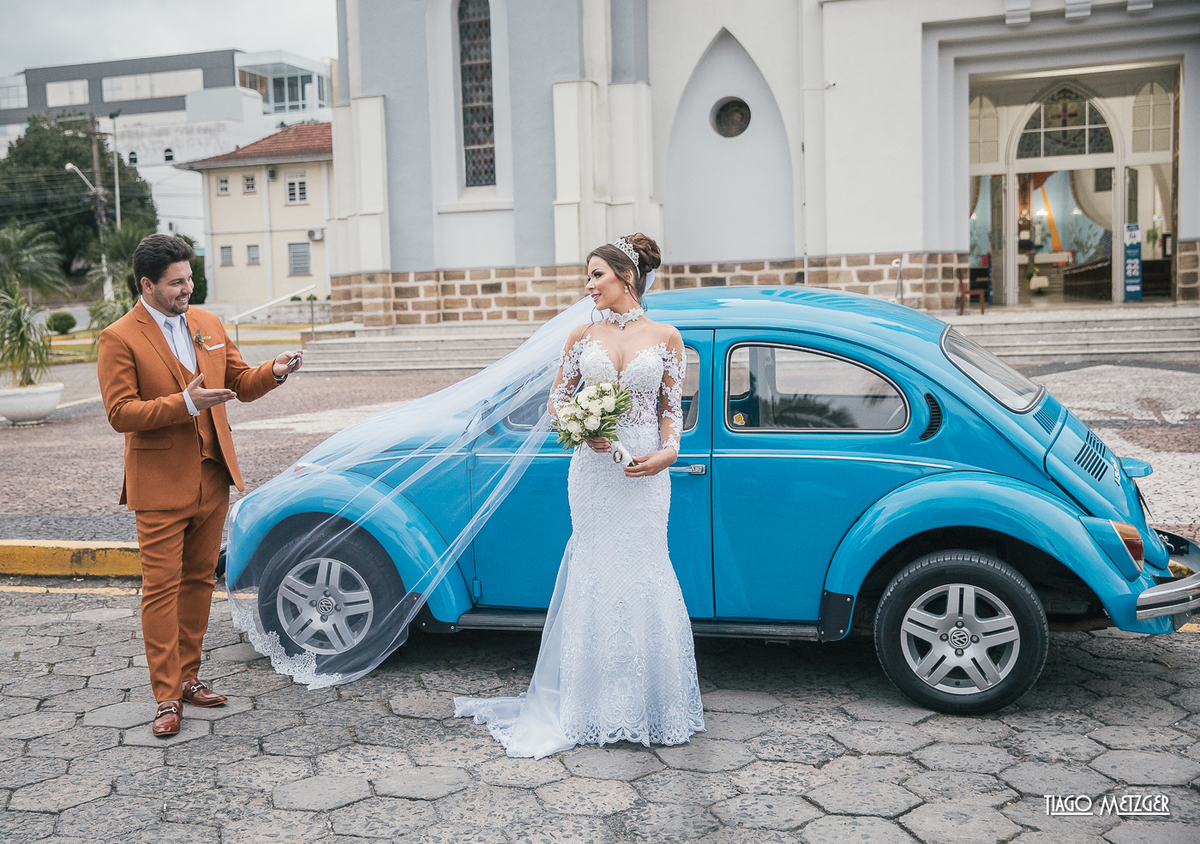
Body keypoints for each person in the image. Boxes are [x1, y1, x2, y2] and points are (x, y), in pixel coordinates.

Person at [454, 233, 705, 758]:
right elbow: (557, 400)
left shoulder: (667, 337)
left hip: (644, 471)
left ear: (626, 277)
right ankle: (590, 707)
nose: (588, 286)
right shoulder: (579, 337)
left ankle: (651, 705)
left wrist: (670, 452)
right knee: (594, 569)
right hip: (591, 473)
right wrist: (577, 424)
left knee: (643, 568)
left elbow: (669, 409)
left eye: (597, 275)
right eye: (588, 276)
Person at [97, 234, 304, 737]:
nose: (187, 288)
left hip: (213, 478)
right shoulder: (119, 338)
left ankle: (189, 679)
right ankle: (166, 696)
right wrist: (184, 404)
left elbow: (239, 383)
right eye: (176, 283)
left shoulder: (208, 324)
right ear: (147, 284)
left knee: (197, 583)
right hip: (160, 485)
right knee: (161, 590)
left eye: (190, 278)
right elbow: (120, 414)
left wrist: (272, 372)